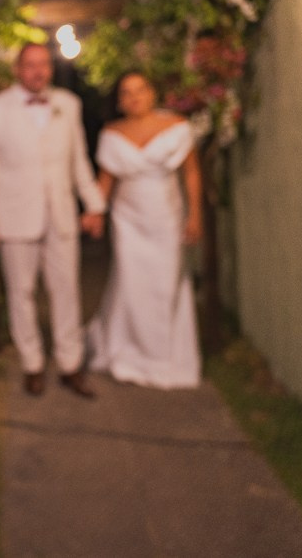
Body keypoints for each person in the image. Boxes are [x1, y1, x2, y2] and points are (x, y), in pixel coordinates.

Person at [0, 43, 106, 398]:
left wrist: (93, 204)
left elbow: (79, 161)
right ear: (17, 69)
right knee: (22, 293)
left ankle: (70, 365)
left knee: (67, 292)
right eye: (30, 65)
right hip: (15, 219)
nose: (38, 71)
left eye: (43, 65)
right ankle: (32, 363)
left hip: (61, 216)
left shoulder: (68, 104)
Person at [85, 71, 202, 389]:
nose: (134, 97)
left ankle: (165, 357)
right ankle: (130, 353)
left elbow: (191, 172)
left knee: (166, 283)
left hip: (166, 216)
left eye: (140, 90)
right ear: (120, 101)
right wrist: (95, 212)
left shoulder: (176, 127)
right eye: (126, 92)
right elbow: (106, 181)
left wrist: (195, 216)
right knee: (131, 281)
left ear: (152, 93)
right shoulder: (112, 133)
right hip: (128, 220)